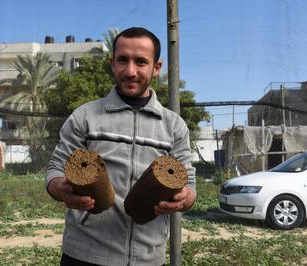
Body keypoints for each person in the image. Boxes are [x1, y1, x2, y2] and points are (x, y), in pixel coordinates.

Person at [46, 27, 196, 266]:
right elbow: (55, 169)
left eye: (141, 62)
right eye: (123, 60)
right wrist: (59, 188)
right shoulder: (85, 116)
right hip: (84, 255)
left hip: (148, 258)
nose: (130, 71)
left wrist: (184, 198)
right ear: (112, 63)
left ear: (156, 68)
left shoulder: (174, 126)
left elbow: (189, 185)